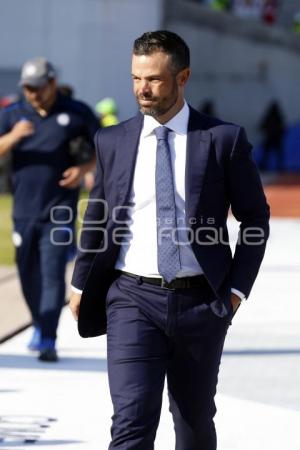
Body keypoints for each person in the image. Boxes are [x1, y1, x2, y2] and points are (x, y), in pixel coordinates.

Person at [69, 30, 270, 449]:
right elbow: (99, 216)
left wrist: (234, 290)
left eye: (154, 79)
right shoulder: (112, 140)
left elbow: (255, 217)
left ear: (183, 77)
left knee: (193, 420)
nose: (143, 89)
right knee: (131, 421)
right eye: (136, 78)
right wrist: (80, 280)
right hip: (131, 298)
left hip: (202, 301)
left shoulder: (222, 139)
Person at [0, 57, 99, 362]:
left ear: (53, 83)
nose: (32, 94)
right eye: (28, 88)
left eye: (38, 88)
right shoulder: (13, 114)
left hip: (60, 211)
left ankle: (47, 337)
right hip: (24, 211)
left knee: (53, 273)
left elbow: (107, 146)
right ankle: (40, 323)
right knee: (28, 275)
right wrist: (13, 137)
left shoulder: (76, 112)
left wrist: (84, 169)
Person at [259, 100, 286, 171]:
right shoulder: (277, 117)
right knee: (273, 154)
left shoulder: (272, 116)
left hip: (272, 138)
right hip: (274, 138)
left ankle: (266, 166)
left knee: (270, 154)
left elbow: (262, 126)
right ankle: (277, 167)